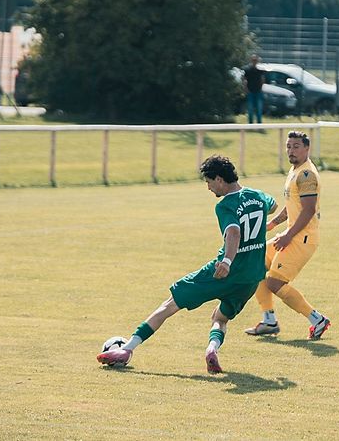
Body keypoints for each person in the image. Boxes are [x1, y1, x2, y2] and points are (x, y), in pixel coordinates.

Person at [97, 155, 278, 373]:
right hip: (250, 278)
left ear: (219, 179)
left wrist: (227, 261)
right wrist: (268, 221)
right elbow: (274, 205)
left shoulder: (225, 206)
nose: (209, 187)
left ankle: (127, 349)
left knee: (170, 304)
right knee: (220, 318)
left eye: (209, 182)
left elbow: (234, 232)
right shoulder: (258, 196)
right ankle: (211, 349)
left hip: (223, 272)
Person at [245, 131, 331, 340]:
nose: (291, 151)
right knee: (255, 263)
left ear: (307, 148)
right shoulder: (295, 170)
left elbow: (308, 210)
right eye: (288, 146)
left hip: (302, 238)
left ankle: (317, 320)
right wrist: (273, 223)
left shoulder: (306, 174)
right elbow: (292, 205)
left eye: (296, 147)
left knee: (274, 283)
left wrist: (288, 236)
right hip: (292, 234)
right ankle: (269, 321)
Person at [242, 54, 265, 124]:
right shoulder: (247, 70)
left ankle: (259, 124)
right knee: (250, 108)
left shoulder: (260, 70)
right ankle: (250, 124)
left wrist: (261, 87)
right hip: (250, 91)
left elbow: (262, 79)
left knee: (259, 108)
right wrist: (245, 89)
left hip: (258, 91)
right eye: (253, 60)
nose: (254, 61)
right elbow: (244, 79)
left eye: (256, 60)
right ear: (251, 60)